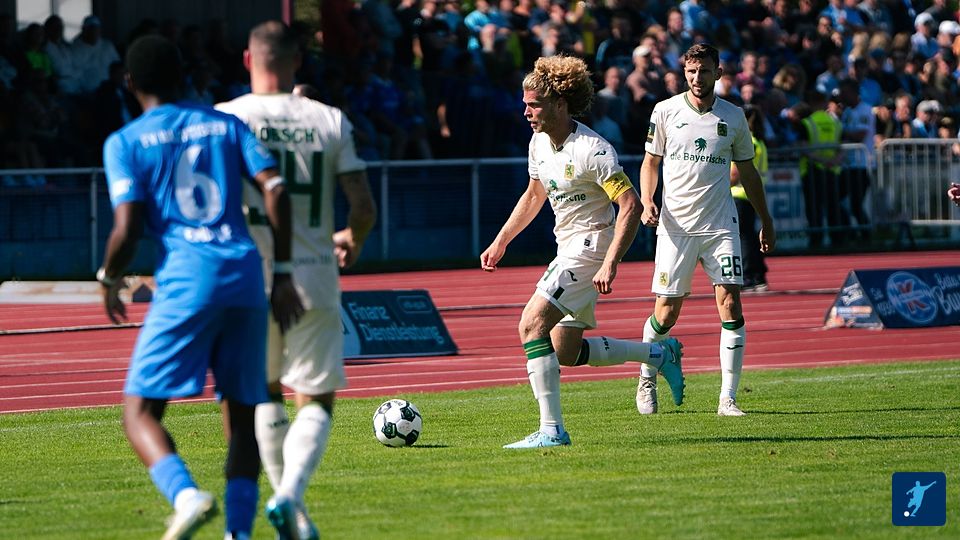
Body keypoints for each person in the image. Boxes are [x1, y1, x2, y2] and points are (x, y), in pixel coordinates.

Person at [98, 35, 302, 540]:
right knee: (242, 415)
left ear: (129, 83)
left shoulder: (125, 141)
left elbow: (127, 226)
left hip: (188, 278)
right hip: (244, 276)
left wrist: (108, 277)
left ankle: (186, 495)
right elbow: (276, 190)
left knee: (140, 411)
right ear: (182, 76)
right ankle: (238, 533)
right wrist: (282, 272)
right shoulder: (226, 124)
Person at [216, 21, 377, 539]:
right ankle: (289, 498)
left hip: (246, 279)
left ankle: (286, 503)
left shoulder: (225, 118)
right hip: (312, 272)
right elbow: (363, 205)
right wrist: (353, 237)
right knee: (315, 396)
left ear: (248, 60)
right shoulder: (328, 118)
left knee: (262, 391)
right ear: (297, 61)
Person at [480, 55, 685, 449]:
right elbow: (534, 195)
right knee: (565, 350)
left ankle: (552, 431)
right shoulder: (538, 143)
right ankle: (658, 355)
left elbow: (630, 205)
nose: (526, 112)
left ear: (560, 104)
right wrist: (502, 240)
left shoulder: (593, 149)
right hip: (569, 246)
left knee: (531, 325)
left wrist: (610, 263)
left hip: (590, 248)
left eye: (534, 105)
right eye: (525, 104)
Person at [638, 44, 775, 417]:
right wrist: (647, 200)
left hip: (720, 225)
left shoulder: (733, 116)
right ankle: (647, 379)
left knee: (730, 302)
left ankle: (727, 398)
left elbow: (748, 172)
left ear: (719, 72)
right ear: (685, 72)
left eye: (704, 71)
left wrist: (765, 219)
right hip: (676, 227)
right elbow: (650, 163)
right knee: (666, 313)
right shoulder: (665, 111)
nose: (697, 78)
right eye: (691, 71)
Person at [730, 105, 769, 291]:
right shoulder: (759, 142)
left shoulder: (748, 142)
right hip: (750, 194)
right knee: (750, 236)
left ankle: (748, 275)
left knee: (743, 237)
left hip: (740, 194)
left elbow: (735, 174)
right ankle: (758, 274)